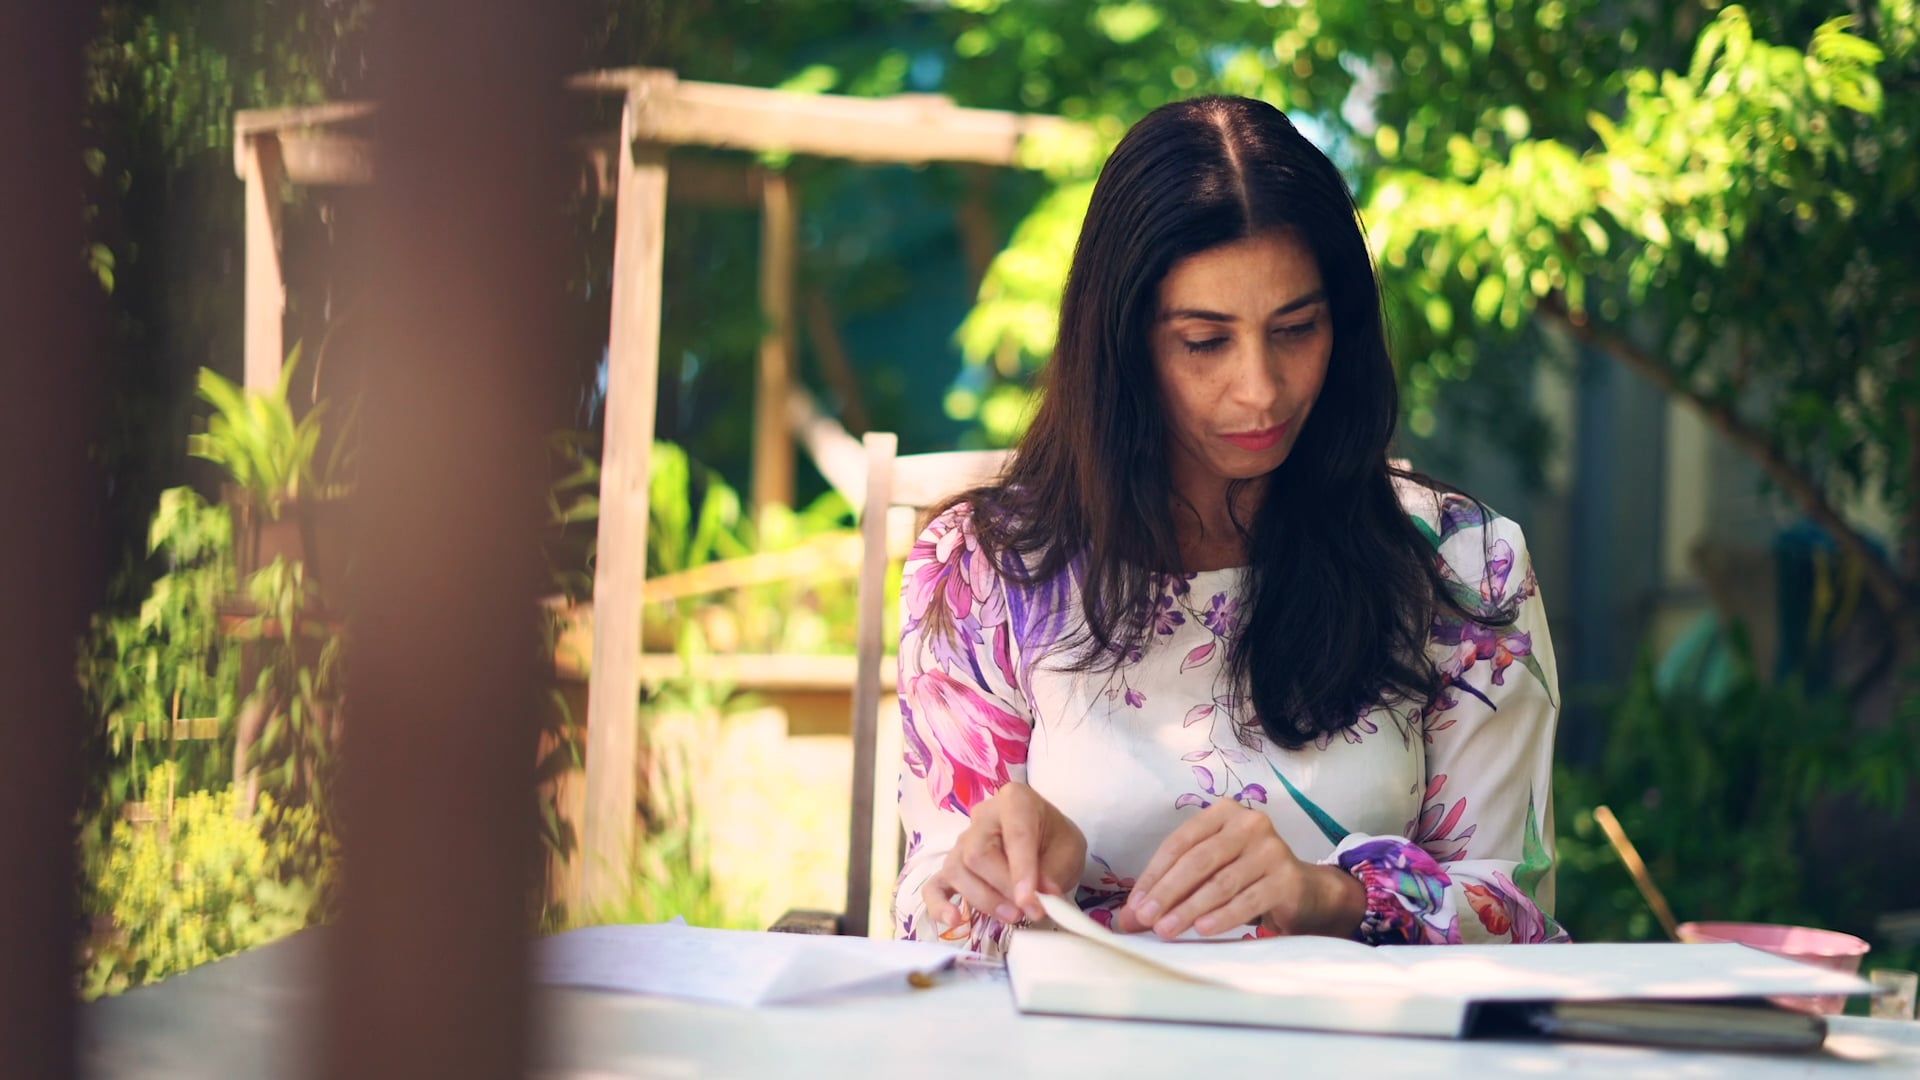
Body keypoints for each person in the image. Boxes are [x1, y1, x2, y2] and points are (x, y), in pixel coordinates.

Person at [892, 95, 1567, 958]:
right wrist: (1005, 879)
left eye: (1297, 329)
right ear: (1123, 344)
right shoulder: (985, 572)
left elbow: (1518, 915)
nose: (1261, 389)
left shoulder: (1464, 570)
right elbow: (923, 918)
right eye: (1205, 342)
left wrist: (1327, 896)